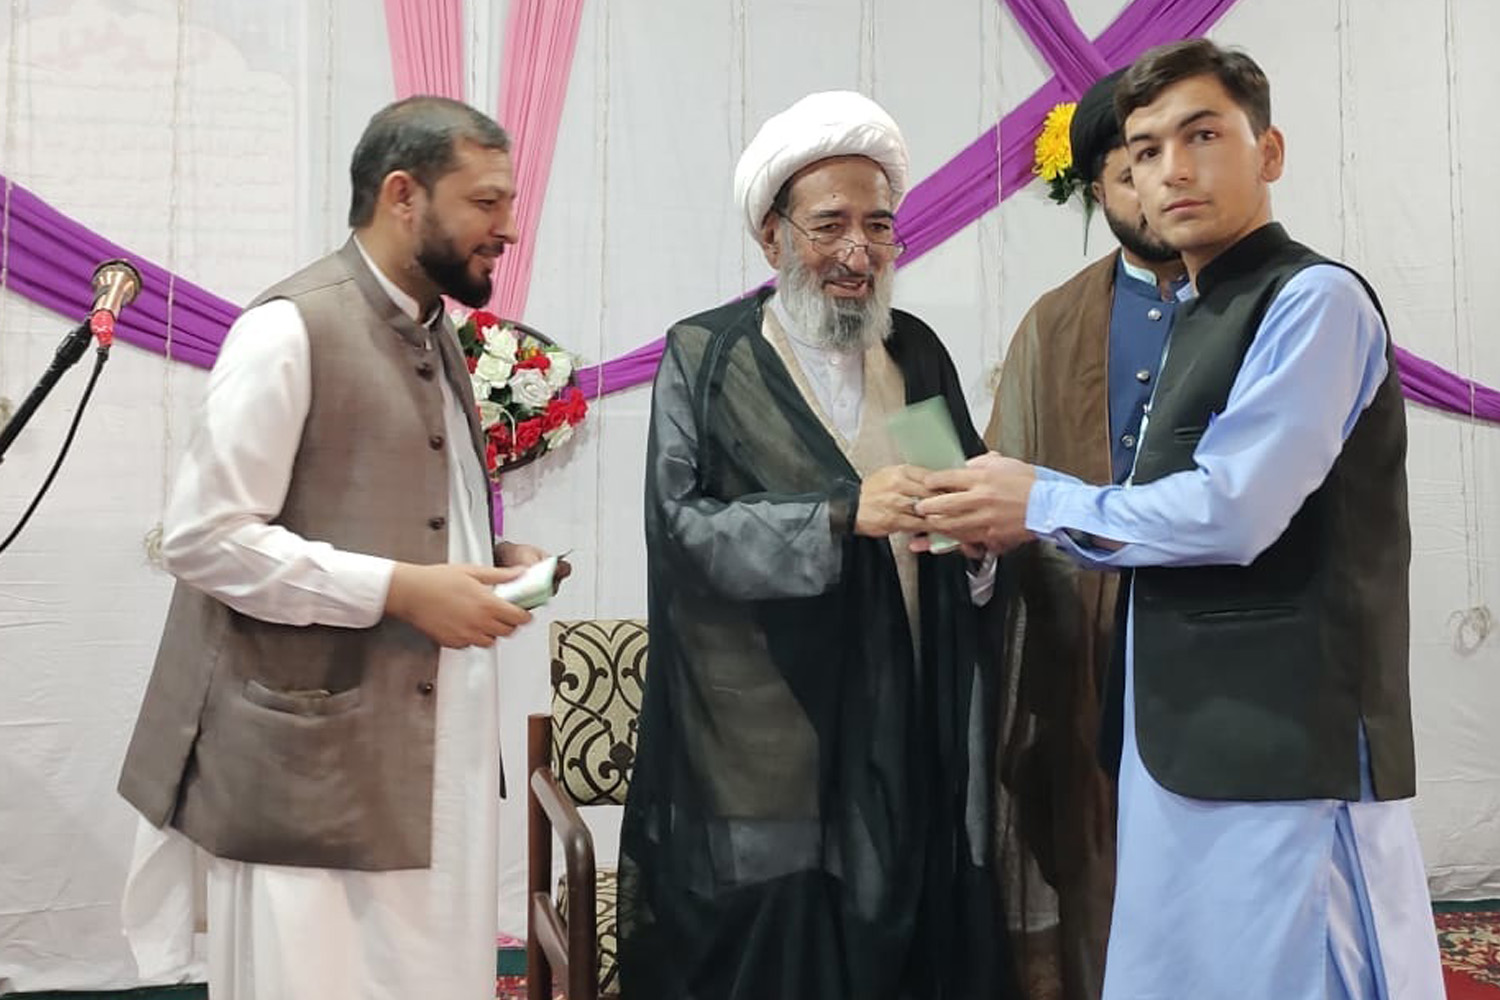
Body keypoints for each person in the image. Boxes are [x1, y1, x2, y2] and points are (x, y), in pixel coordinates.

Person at [920, 39, 1445, 999]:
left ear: (1269, 151)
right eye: (1147, 150)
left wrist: (1039, 499)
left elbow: (1235, 508)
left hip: (1283, 740)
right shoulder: (1188, 311)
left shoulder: (1314, 300)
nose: (1172, 170)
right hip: (1170, 735)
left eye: (1202, 136)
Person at [117, 96, 565, 1000]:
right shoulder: (288, 329)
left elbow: (385, 506)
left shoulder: (434, 330)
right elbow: (205, 539)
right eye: (486, 202)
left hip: (437, 758)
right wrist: (400, 590)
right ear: (403, 195)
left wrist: (489, 552)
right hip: (313, 777)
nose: (510, 230)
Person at [618, 91, 1014, 1000]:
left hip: (897, 729)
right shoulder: (707, 357)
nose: (857, 252)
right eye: (829, 225)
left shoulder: (914, 355)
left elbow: (949, 514)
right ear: (773, 238)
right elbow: (683, 531)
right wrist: (842, 514)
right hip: (760, 752)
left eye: (879, 227)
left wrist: (976, 545)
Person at [985, 67, 1186, 1000]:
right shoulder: (1055, 323)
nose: (1153, 184)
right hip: (1095, 671)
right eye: (1127, 167)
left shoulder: (1275, 305)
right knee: (1104, 903)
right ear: (1098, 189)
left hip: (1238, 665)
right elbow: (1007, 482)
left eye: (1167, 156)